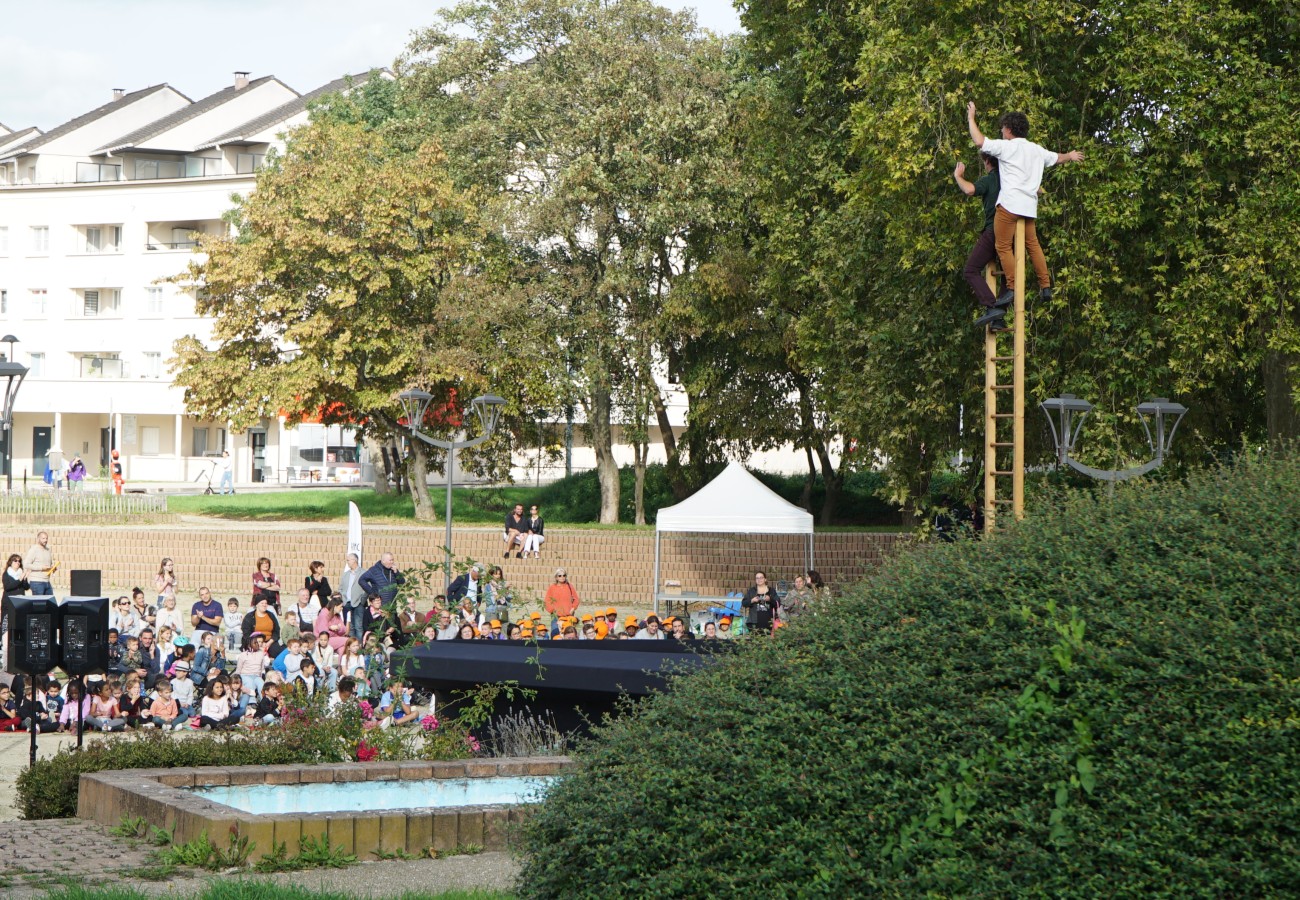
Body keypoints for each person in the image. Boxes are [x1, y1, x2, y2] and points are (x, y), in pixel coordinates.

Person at [966, 102, 1085, 321]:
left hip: (1010, 206)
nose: (1001, 132)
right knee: (1033, 245)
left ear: (1009, 129)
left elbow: (980, 141)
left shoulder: (1008, 147)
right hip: (1029, 207)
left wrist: (972, 118)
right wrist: (1070, 155)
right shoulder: (1036, 149)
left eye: (1002, 129)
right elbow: (1056, 158)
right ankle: (1045, 285)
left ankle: (1011, 287)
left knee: (1002, 246)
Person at [954, 152, 1005, 326]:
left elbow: (969, 189)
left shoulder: (991, 179)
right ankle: (999, 318)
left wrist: (958, 176)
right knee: (1008, 272)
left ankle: (992, 307)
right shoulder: (1011, 178)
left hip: (994, 231)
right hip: (1012, 232)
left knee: (970, 270)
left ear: (988, 162)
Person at [543, 568, 580, 633]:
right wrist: (552, 610)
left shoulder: (570, 586)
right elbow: (547, 601)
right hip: (556, 616)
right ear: (556, 577)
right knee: (555, 634)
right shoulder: (552, 587)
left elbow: (576, 599)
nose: (562, 577)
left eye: (564, 575)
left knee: (569, 634)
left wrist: (573, 608)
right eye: (559, 575)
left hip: (568, 615)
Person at [340, 552, 366, 639]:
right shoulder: (346, 574)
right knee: (350, 626)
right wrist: (343, 598)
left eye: (348, 560)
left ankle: (359, 647)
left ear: (354, 560)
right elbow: (341, 588)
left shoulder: (363, 573)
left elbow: (367, 588)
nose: (347, 562)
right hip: (347, 603)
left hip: (358, 603)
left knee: (358, 626)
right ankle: (352, 646)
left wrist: (362, 600)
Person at [24, 532, 55, 596]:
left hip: (47, 581)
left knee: (50, 604)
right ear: (38, 539)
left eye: (46, 538)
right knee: (39, 604)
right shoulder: (33, 550)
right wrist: (41, 568)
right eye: (43, 538)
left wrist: (53, 568)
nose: (45, 540)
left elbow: (49, 564)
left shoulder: (48, 550)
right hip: (37, 582)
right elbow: (26, 564)